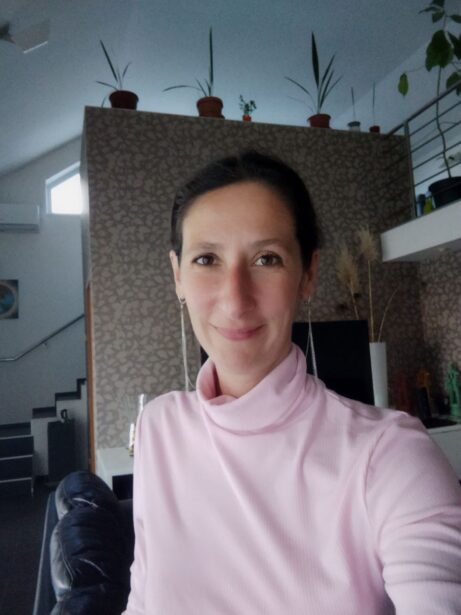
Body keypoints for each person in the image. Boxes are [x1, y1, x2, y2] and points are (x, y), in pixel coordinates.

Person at [123, 151, 461, 615]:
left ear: (309, 274)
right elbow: (143, 599)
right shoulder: (159, 427)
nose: (235, 299)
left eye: (267, 259)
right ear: (177, 275)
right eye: (206, 259)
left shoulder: (390, 455)